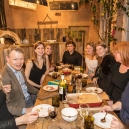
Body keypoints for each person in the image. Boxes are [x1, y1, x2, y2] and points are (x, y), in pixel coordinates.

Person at [0, 46, 39, 117]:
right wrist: (25, 110)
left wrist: (39, 92)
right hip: (21, 108)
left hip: (29, 98)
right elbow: (6, 106)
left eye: (21, 59)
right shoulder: (4, 77)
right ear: (7, 59)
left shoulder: (19, 68)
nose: (19, 62)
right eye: (15, 59)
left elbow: (26, 85)